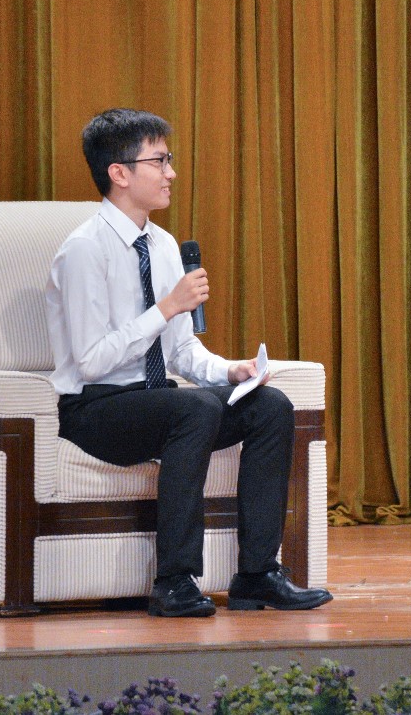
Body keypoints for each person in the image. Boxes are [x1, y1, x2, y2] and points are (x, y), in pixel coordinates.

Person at [46, 108, 333, 616]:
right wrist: (166, 307)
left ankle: (257, 574)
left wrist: (230, 371)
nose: (171, 173)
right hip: (96, 410)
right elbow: (90, 362)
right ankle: (175, 580)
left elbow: (180, 352)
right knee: (194, 407)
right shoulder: (84, 250)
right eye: (159, 161)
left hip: (159, 403)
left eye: (169, 160)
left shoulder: (161, 245)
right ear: (119, 173)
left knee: (269, 405)